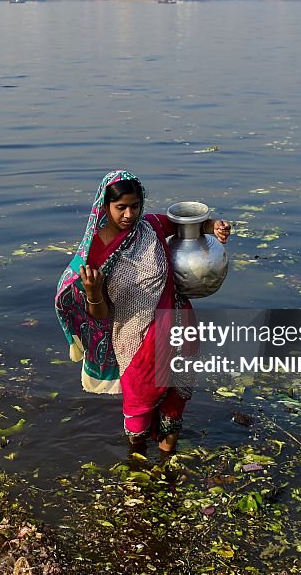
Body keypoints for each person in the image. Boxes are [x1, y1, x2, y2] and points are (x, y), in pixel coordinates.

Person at [54, 170, 230, 463]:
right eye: (120, 207)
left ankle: (166, 462)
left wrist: (214, 226)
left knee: (176, 400)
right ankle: (136, 463)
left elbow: (185, 225)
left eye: (134, 206)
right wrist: (93, 291)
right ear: (104, 206)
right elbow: (100, 314)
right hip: (136, 339)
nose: (128, 214)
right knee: (140, 406)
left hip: (178, 325)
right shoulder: (95, 253)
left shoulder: (150, 227)